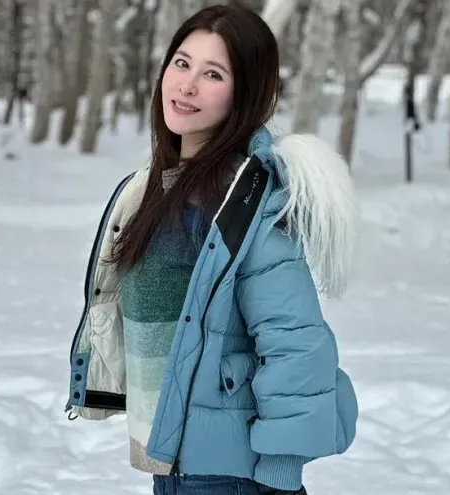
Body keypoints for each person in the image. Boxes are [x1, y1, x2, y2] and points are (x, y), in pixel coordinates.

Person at [65, 5, 359, 494]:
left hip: (230, 476)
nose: (187, 85)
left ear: (244, 95)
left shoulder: (248, 204)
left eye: (213, 74)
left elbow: (295, 342)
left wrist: (281, 469)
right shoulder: (149, 192)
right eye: (182, 64)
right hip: (174, 466)